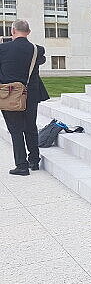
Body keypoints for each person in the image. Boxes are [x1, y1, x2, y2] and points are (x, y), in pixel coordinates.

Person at [0, 20, 50, 175]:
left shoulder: (3, 49)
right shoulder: (37, 50)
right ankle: (34, 160)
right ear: (28, 32)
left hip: (9, 95)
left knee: (15, 130)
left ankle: (21, 165)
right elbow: (41, 61)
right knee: (30, 127)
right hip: (30, 95)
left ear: (12, 31)